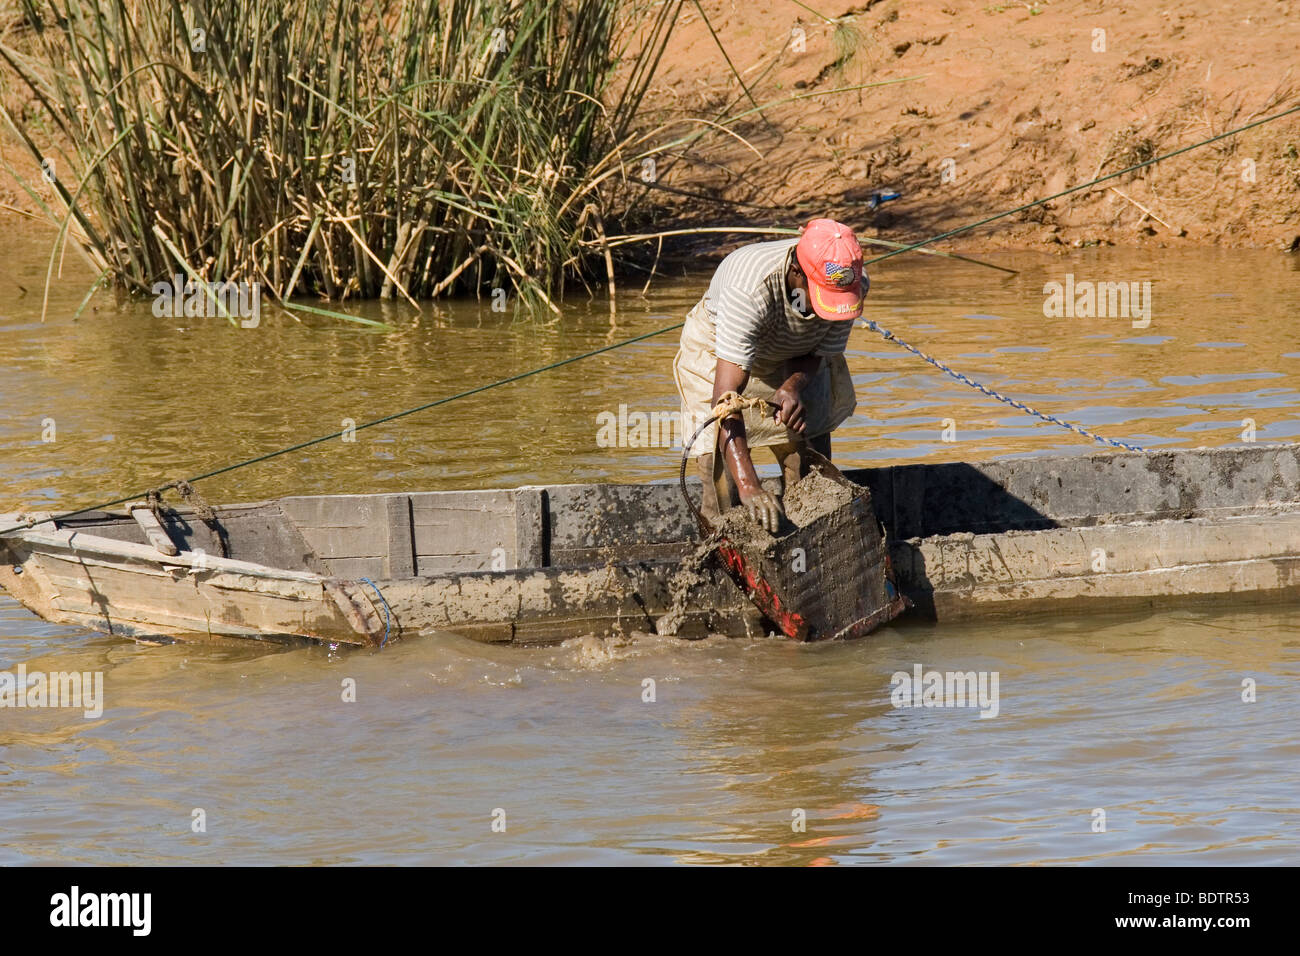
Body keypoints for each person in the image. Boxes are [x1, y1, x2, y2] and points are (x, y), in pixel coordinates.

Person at [673, 218, 866, 532]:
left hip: (793, 351)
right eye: (821, 297)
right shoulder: (749, 289)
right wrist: (749, 483)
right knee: (722, 481)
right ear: (795, 272)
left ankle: (807, 554)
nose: (824, 310)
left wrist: (792, 387)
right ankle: (726, 558)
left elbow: (817, 352)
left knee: (810, 471)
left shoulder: (849, 287)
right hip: (719, 352)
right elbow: (725, 398)